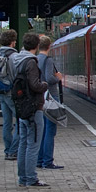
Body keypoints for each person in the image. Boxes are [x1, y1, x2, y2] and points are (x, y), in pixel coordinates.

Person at [12, 33, 49, 187]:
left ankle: (22, 178)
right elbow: (34, 84)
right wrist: (44, 85)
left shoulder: (17, 60)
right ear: (37, 46)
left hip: (22, 107)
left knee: (23, 144)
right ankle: (31, 178)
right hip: (33, 107)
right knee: (33, 145)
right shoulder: (31, 62)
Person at [36, 35, 64, 169]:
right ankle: (47, 161)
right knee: (50, 130)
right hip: (50, 98)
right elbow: (49, 79)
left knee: (41, 130)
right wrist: (58, 77)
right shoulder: (48, 60)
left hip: (40, 97)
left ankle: (39, 160)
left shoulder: (35, 59)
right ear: (49, 46)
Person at [0, 30, 19, 160]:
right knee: (21, 121)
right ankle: (13, 151)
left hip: (1, 92)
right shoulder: (13, 56)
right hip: (11, 92)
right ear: (12, 42)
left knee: (7, 123)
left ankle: (7, 150)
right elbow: (16, 75)